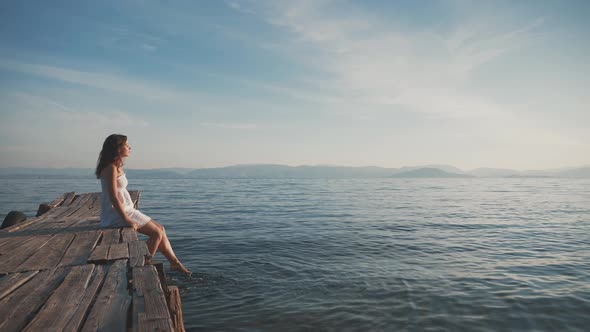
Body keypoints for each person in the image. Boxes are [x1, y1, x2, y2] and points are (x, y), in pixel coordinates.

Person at [96, 134, 191, 275]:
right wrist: (127, 220)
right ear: (117, 148)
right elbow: (113, 197)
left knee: (161, 229)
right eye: (126, 145)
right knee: (156, 233)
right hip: (117, 214)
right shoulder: (110, 168)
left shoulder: (117, 166)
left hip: (127, 208)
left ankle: (174, 263)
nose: (129, 147)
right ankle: (142, 264)